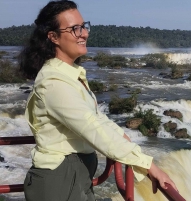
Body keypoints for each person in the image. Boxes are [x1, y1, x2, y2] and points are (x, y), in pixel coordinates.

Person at [19, 0, 177, 200]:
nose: (84, 33)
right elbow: (93, 128)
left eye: (84, 26)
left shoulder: (70, 75)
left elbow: (95, 116)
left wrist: (120, 134)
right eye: (75, 29)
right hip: (60, 182)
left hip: (75, 177)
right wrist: (149, 166)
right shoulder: (53, 83)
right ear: (53, 37)